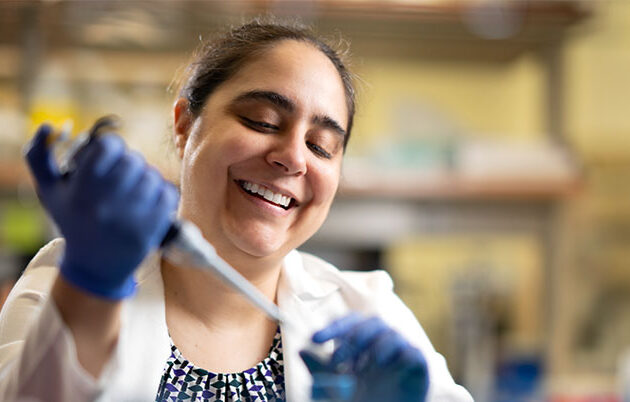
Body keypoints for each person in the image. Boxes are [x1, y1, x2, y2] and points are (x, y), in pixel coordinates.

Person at [0, 20, 472, 402]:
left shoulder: (369, 313)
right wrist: (90, 291)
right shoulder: (70, 282)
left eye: (321, 146)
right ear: (185, 125)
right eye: (262, 121)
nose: (293, 157)